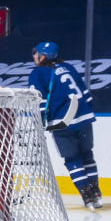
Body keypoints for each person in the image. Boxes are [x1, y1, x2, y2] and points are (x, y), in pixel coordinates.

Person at [28, 40, 101, 210]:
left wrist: (39, 121)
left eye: (35, 53)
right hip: (84, 117)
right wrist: (85, 113)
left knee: (72, 159)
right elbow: (86, 95)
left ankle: (86, 195)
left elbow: (40, 100)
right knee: (87, 155)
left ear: (43, 56)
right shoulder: (69, 67)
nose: (33, 56)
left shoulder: (37, 74)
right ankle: (96, 192)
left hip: (62, 122)